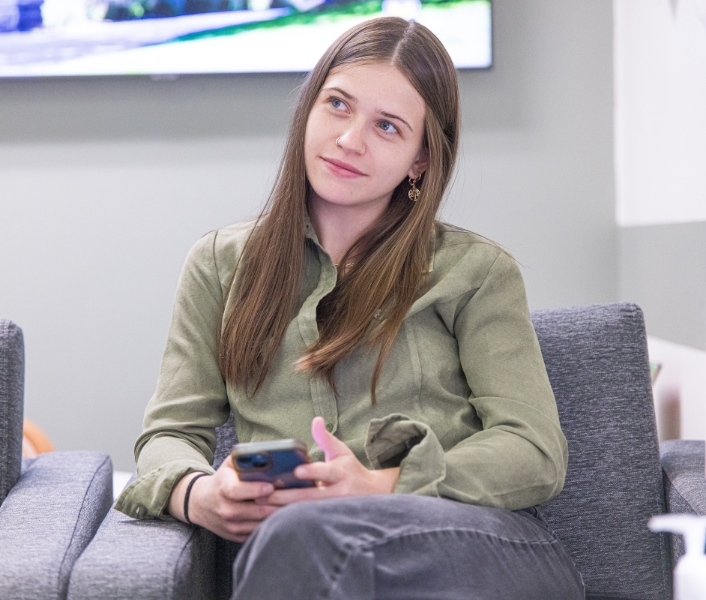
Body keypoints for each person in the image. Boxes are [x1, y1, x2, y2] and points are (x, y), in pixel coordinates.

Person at [116, 16, 585, 599]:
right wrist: (198, 493)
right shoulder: (220, 264)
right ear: (309, 109)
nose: (349, 139)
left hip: (470, 543)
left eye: (387, 126)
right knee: (301, 535)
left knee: (302, 535)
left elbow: (534, 449)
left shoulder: (477, 272)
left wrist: (382, 484)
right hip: (299, 551)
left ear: (419, 160)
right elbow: (170, 433)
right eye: (338, 105)